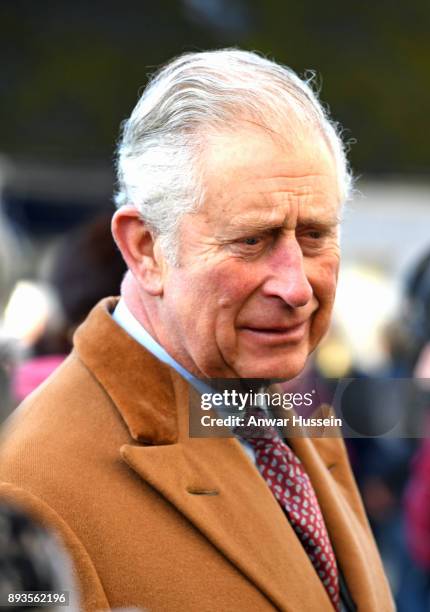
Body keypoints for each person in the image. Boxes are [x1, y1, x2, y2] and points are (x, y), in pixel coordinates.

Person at [0, 49, 394, 611]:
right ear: (146, 248)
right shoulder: (29, 492)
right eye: (251, 240)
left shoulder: (283, 410)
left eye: (314, 235)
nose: (297, 287)